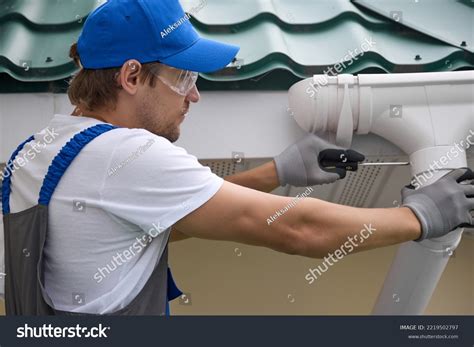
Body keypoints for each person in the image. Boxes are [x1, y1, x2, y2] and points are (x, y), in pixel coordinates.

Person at [1, 0, 473, 316]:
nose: (195, 96)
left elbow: (162, 226)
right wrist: (420, 215)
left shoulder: (35, 153)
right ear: (130, 76)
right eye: (184, 77)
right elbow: (297, 228)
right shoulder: (127, 153)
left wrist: (277, 172)